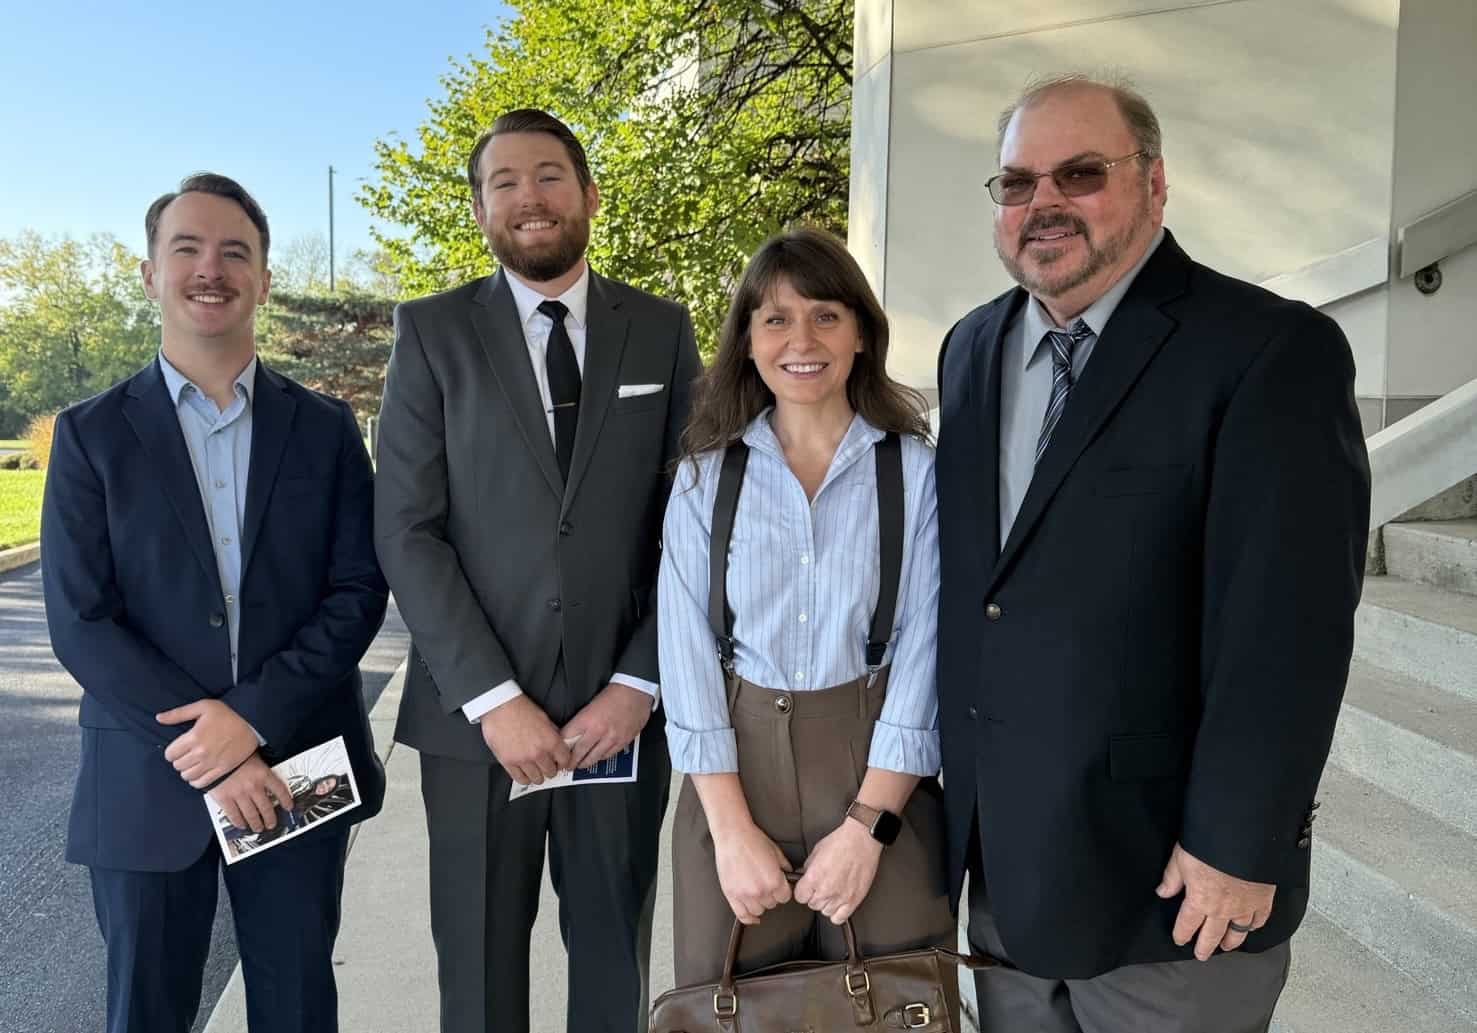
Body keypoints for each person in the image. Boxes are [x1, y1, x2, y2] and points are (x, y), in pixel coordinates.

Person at [934, 74, 1371, 1032]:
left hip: (1172, 896)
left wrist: (1241, 842)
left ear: (1155, 182)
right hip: (1002, 881)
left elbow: (1286, 629)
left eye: (1079, 172)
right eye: (1015, 183)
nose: (1042, 203)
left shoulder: (1267, 350)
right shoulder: (970, 349)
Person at [374, 108, 701, 1033]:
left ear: (588, 194)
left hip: (620, 724)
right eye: (505, 182)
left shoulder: (663, 331)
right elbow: (407, 530)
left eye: (549, 175)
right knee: (477, 977)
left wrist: (639, 681)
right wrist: (494, 698)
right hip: (476, 728)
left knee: (611, 963)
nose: (529, 197)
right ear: (480, 209)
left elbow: (692, 527)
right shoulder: (432, 333)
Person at [42, 173, 389, 1033]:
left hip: (298, 767)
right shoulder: (90, 434)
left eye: (236, 251)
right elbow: (81, 619)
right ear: (150, 273)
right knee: (146, 1011)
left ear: (264, 278)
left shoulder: (325, 429)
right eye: (187, 249)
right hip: (146, 776)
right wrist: (217, 749)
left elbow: (356, 592)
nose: (211, 268)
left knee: (298, 1006)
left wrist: (253, 721)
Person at [658, 227, 954, 990]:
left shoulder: (916, 474)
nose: (802, 339)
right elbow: (685, 653)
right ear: (747, 341)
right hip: (733, 775)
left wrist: (868, 826)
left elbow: (926, 648)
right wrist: (729, 831)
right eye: (776, 318)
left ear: (860, 333)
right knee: (732, 1003)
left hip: (878, 767)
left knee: (895, 997)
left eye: (825, 315)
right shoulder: (702, 477)